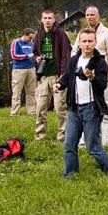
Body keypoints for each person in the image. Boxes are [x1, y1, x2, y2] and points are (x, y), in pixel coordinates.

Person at [53, 28, 108, 177]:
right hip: (74, 108)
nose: (87, 44)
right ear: (79, 43)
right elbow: (67, 77)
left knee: (92, 147)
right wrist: (59, 84)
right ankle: (70, 174)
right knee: (69, 145)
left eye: (90, 41)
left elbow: (102, 85)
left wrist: (92, 77)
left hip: (92, 108)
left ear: (95, 42)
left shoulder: (100, 62)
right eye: (84, 41)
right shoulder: (74, 60)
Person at [71, 6, 108, 147]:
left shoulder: (107, 34)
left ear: (98, 16)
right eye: (87, 15)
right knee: (85, 108)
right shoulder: (82, 34)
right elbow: (74, 54)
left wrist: (106, 77)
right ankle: (84, 140)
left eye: (92, 14)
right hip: (83, 78)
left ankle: (107, 142)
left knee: (106, 109)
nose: (90, 17)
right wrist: (77, 73)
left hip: (101, 77)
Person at [33, 9, 71, 142]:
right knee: (40, 108)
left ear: (54, 19)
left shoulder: (60, 34)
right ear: (41, 19)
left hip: (57, 75)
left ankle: (63, 136)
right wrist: (37, 58)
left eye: (50, 18)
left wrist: (63, 75)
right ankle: (40, 135)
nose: (48, 20)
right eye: (45, 18)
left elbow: (66, 55)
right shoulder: (39, 34)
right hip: (43, 76)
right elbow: (35, 52)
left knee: (60, 108)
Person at [9, 28, 37, 116]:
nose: (31, 40)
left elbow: (34, 55)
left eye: (32, 38)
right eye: (29, 37)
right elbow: (14, 55)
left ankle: (32, 111)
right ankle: (14, 113)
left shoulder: (32, 44)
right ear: (24, 35)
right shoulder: (16, 42)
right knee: (17, 91)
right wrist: (27, 56)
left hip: (31, 68)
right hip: (19, 69)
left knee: (32, 91)